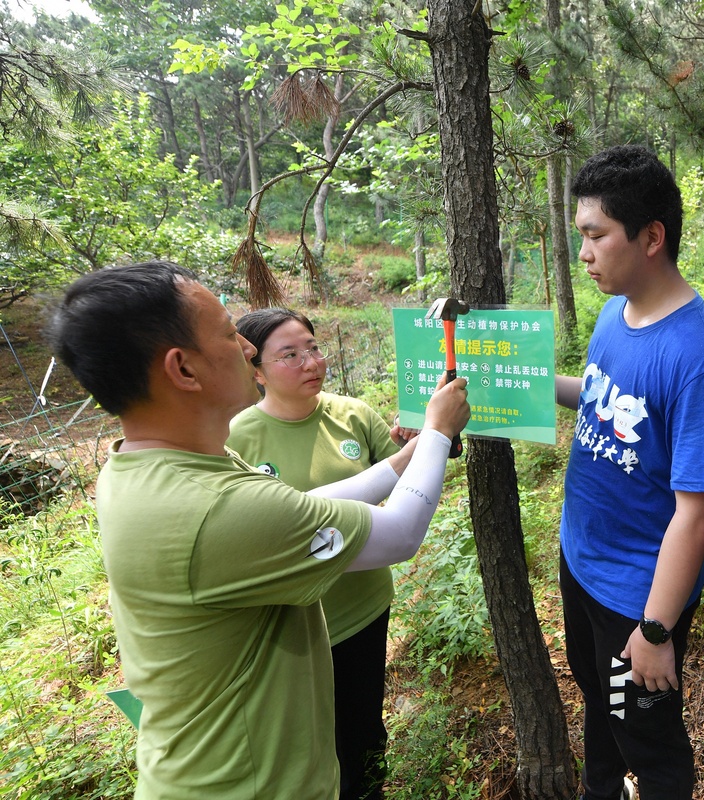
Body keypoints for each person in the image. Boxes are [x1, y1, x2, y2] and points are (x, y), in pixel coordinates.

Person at [47, 261, 469, 799]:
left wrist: (406, 455)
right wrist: (436, 432)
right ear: (183, 369)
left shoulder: (147, 468)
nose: (248, 349)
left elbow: (294, 508)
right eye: (228, 334)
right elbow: (400, 533)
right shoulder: (213, 507)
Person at [554, 145, 704, 800]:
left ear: (651, 237)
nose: (584, 253)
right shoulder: (616, 311)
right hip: (581, 565)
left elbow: (698, 514)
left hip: (633, 599)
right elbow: (606, 395)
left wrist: (656, 632)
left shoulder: (697, 356)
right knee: (599, 702)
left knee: (647, 738)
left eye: (595, 235)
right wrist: (523, 386)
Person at [227, 308, 407, 800]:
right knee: (308, 741)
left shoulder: (351, 414)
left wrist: (425, 442)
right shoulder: (234, 438)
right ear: (256, 370)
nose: (311, 362)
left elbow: (404, 489)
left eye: (313, 347)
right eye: (290, 355)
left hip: (361, 607)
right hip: (288, 624)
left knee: (363, 728)